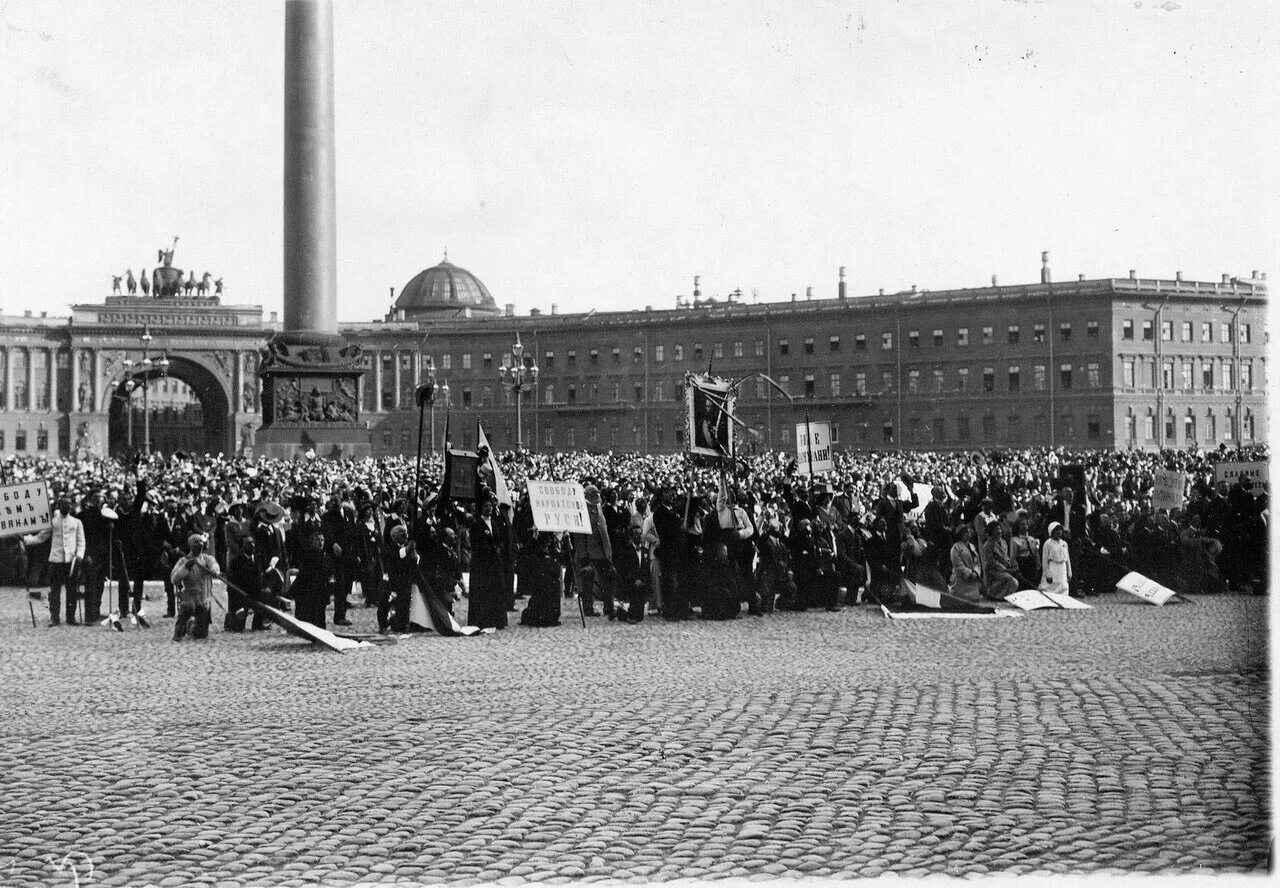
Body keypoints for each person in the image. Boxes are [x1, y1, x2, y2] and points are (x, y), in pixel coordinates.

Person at [23, 496, 86, 627]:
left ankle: (71, 617)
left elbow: (81, 543)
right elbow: (40, 538)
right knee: (54, 591)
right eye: (64, 504)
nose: (67, 506)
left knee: (72, 590)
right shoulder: (52, 522)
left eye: (69, 504)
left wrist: (79, 556)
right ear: (59, 506)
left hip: (71, 561)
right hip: (55, 561)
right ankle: (55, 618)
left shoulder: (76, 522)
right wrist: (24, 539)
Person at [572, 484, 615, 619]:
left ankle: (609, 606)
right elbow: (579, 536)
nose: (597, 496)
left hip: (601, 552)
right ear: (588, 495)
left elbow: (603, 530)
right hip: (589, 552)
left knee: (609, 577)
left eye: (598, 493)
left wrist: (608, 551)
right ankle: (588, 607)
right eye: (594, 493)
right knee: (588, 582)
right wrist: (583, 555)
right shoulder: (582, 510)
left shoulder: (598, 507)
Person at [467, 494, 509, 630]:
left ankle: (497, 620)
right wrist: (490, 549)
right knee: (483, 592)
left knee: (496, 591)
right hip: (482, 564)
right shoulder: (476, 524)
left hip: (495, 563)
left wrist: (498, 548)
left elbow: (500, 539)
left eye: (490, 506)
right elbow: (475, 544)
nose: (488, 508)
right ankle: (483, 620)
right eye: (486, 506)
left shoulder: (495, 523)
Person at [171, 533, 220, 641]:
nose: (201, 545)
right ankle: (178, 632)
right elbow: (174, 579)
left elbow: (215, 567)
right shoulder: (183, 561)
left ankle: (191, 626)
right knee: (189, 606)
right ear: (191, 545)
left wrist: (213, 569)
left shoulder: (207, 559)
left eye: (202, 543)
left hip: (203, 599)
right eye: (198, 543)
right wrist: (185, 568)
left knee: (201, 634)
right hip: (189, 597)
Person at [948, 523, 983, 604]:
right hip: (961, 578)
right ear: (962, 534)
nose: (970, 532)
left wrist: (975, 572)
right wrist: (969, 573)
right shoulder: (955, 547)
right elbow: (958, 564)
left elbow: (977, 562)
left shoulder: (972, 546)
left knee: (975, 597)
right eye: (968, 531)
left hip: (973, 578)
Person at [1040, 522, 1071, 596]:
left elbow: (1067, 559)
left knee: (1063, 586)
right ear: (1052, 531)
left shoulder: (1064, 543)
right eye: (1057, 529)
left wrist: (1069, 572)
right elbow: (1045, 561)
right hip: (1052, 568)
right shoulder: (1047, 544)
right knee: (1050, 588)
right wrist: (1048, 575)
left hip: (1062, 569)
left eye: (1060, 529)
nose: (1059, 531)